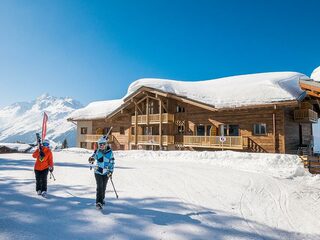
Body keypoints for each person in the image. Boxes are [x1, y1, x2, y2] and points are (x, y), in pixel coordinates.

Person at [89, 136, 115, 209]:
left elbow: (112, 163)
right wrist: (91, 159)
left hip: (106, 172)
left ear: (106, 144)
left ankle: (102, 199)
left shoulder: (110, 152)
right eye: (100, 144)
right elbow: (93, 157)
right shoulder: (97, 151)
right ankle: (98, 202)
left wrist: (110, 171)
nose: (101, 146)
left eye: (103, 144)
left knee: (103, 187)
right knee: (99, 186)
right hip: (98, 171)